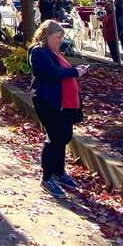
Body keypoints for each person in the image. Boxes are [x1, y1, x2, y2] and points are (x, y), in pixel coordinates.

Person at [29, 19, 89, 198]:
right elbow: (51, 73)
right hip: (48, 101)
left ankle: (59, 172)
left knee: (64, 136)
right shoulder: (38, 51)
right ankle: (47, 178)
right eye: (57, 37)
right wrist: (74, 72)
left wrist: (76, 69)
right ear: (46, 35)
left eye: (61, 37)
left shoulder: (54, 52)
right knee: (55, 137)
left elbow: (63, 70)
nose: (60, 41)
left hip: (63, 103)